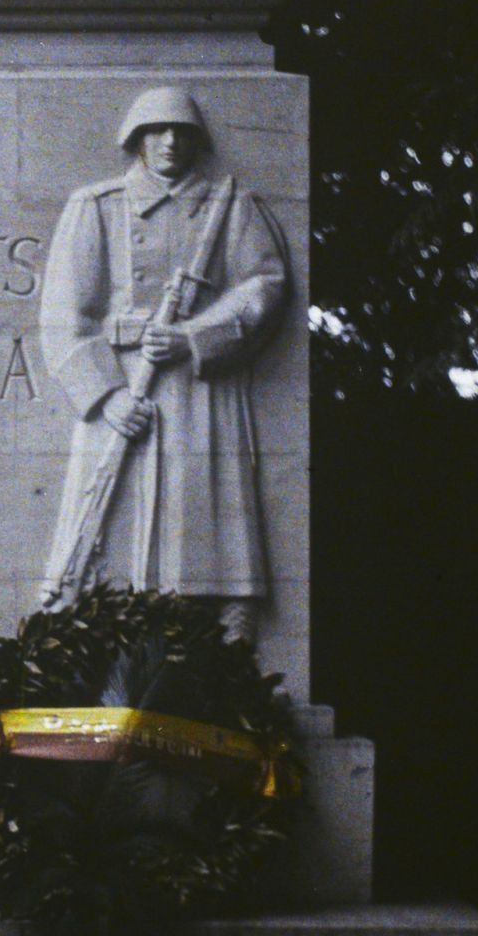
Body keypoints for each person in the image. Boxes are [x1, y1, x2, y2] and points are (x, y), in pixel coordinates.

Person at [36, 85, 290, 640]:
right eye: (157, 131)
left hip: (201, 388)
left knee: (208, 526)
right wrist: (107, 397)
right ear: (136, 139)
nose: (170, 142)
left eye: (182, 132)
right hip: (123, 380)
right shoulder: (97, 206)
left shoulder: (231, 205)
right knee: (105, 531)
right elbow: (63, 317)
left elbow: (264, 286)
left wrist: (196, 338)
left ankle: (226, 639)